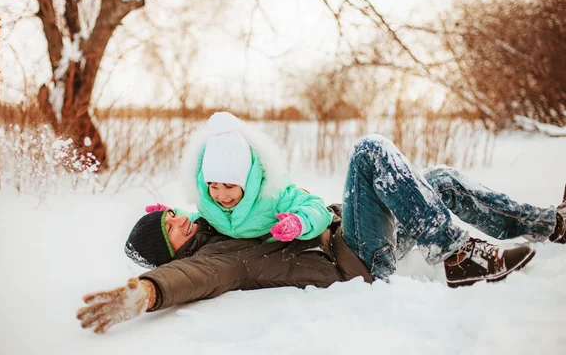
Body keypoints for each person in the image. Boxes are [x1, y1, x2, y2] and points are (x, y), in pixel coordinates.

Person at [77, 135, 566, 334]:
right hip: (354, 258)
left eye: (172, 216)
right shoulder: (221, 256)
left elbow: (287, 200)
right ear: (173, 254)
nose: (181, 222)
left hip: (348, 234)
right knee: (370, 151)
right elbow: (192, 275)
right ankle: (458, 254)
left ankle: (551, 224)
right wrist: (148, 291)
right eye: (173, 233)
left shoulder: (220, 214)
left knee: (435, 182)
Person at [142, 111, 333, 251]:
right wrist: (173, 215)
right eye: (213, 186)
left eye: (230, 186)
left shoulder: (273, 195)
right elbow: (201, 219)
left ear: (246, 180)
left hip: (284, 250)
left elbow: (317, 208)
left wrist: (300, 222)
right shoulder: (208, 202)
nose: (221, 195)